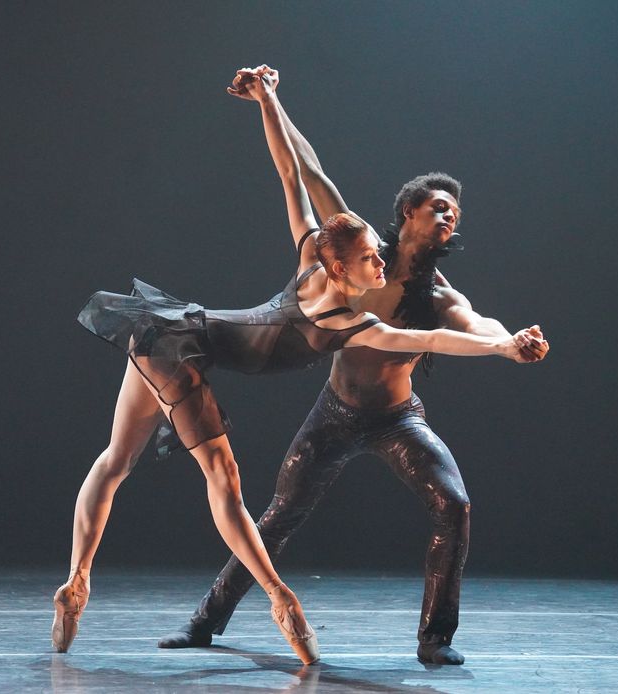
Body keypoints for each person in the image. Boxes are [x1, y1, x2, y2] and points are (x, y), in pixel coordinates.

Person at [54, 69, 544, 664]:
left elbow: (461, 329)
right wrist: (270, 99)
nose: (450, 220)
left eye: (456, 216)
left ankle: (434, 640)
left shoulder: (414, 286)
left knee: (453, 504)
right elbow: (303, 171)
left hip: (388, 415)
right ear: (406, 214)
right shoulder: (352, 265)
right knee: (250, 497)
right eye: (440, 208)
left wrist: (508, 342)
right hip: (313, 403)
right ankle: (232, 613)